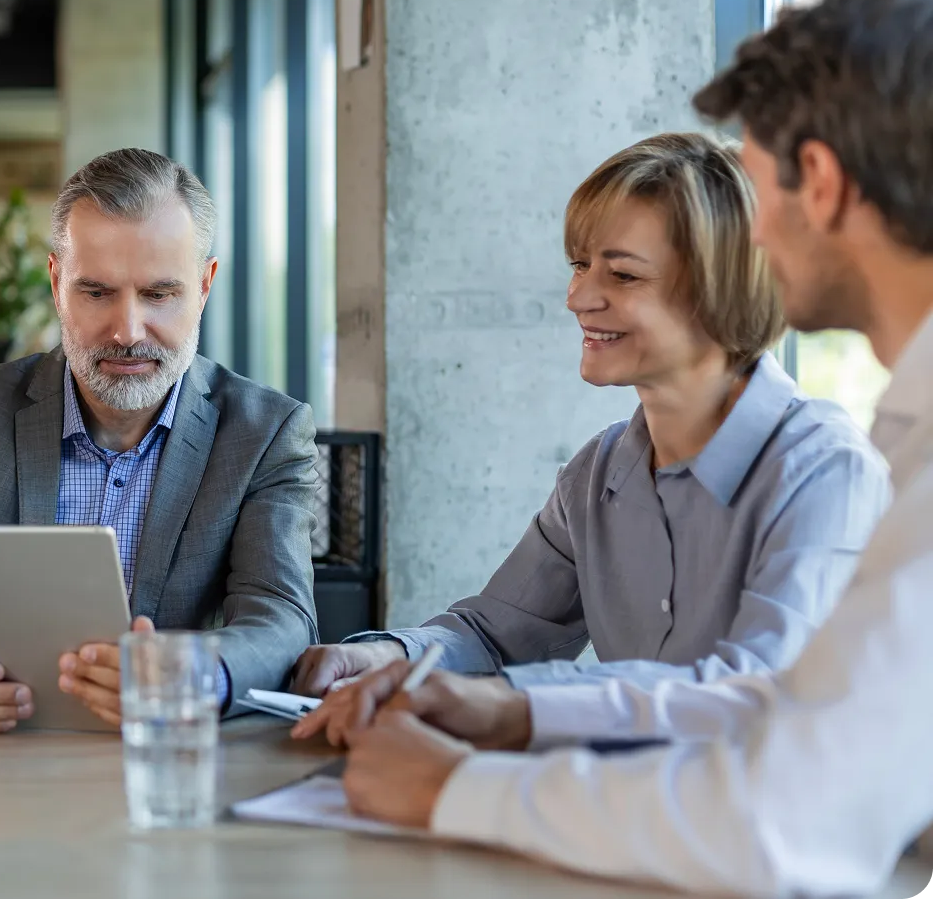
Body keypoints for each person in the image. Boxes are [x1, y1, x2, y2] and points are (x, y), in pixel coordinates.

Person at [326, 0, 933, 898]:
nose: (755, 233)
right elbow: (772, 704)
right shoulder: (897, 427)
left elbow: (778, 800)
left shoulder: (847, 461)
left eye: (761, 189)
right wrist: (471, 698)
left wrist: (474, 772)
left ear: (819, 181)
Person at [294, 132, 889, 750]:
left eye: (623, 274)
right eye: (581, 265)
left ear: (722, 289)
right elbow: (496, 635)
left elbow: (754, 693)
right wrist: (388, 659)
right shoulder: (597, 474)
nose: (577, 297)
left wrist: (516, 706)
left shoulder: (823, 472)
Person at [0, 148, 320, 733]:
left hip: (169, 768)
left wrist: (195, 676)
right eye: (97, 292)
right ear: (57, 282)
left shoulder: (265, 434)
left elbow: (284, 623)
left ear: (205, 286)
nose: (128, 331)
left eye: (159, 294)